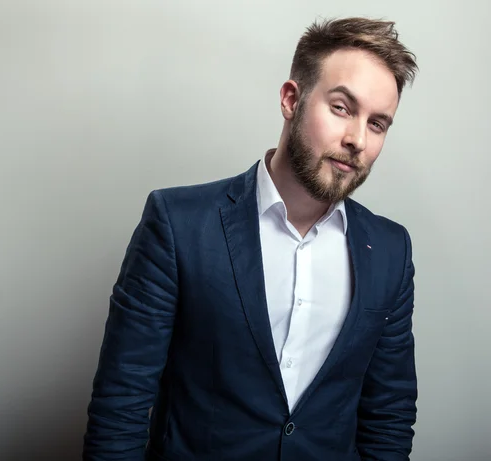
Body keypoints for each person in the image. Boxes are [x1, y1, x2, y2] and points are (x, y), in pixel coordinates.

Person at [83, 16, 419, 461]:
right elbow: (120, 404)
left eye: (377, 124)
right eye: (341, 108)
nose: (357, 139)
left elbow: (389, 416)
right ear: (290, 99)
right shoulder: (178, 224)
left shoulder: (390, 250)